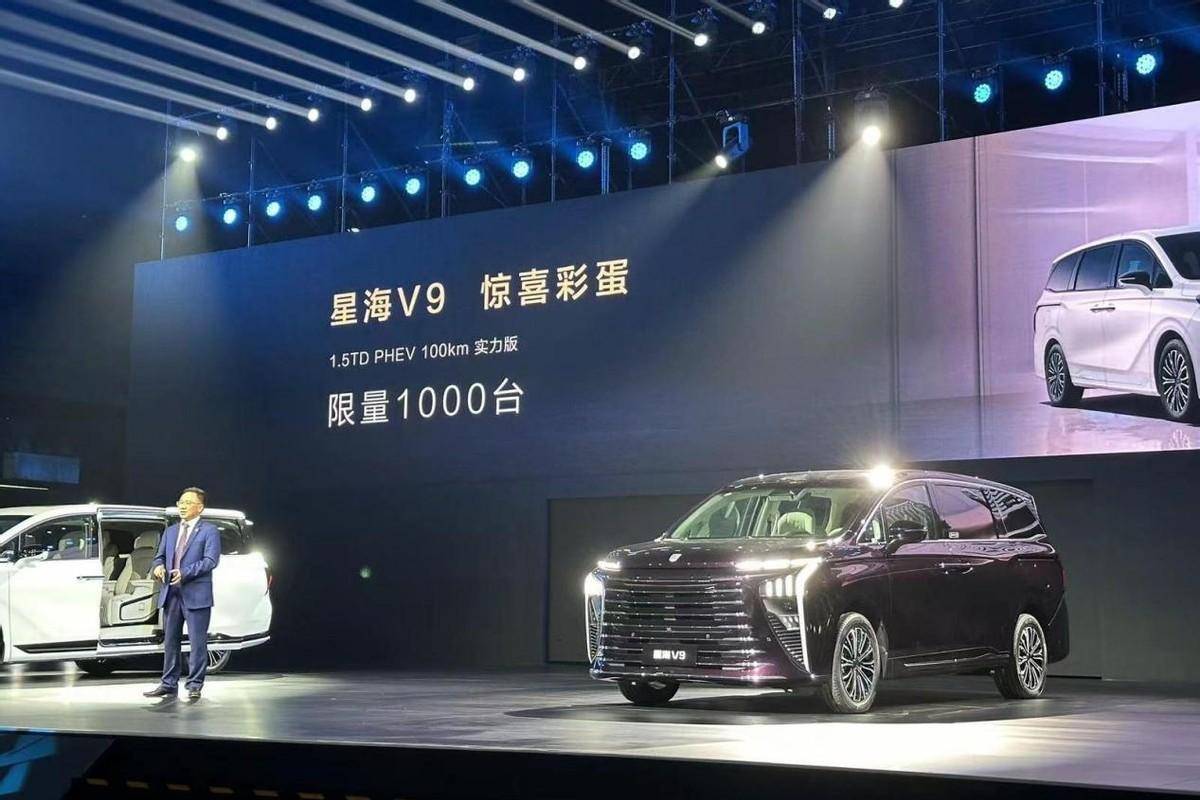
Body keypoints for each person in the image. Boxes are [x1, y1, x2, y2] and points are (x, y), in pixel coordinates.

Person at [143, 487, 220, 702]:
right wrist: (158, 567)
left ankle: (195, 684)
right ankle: (168, 683)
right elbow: (159, 557)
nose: (182, 506)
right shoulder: (171, 531)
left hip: (196, 594)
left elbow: (211, 561)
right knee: (170, 642)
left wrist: (185, 573)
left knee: (197, 643)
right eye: (180, 502)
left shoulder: (209, 531)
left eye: (188, 502)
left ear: (200, 507)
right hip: (171, 593)